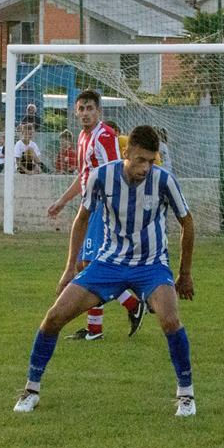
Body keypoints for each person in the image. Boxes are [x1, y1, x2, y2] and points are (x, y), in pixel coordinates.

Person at [13, 125, 196, 416]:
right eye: (140, 160)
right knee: (54, 317)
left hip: (151, 264)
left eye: (151, 161)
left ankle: (186, 395)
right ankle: (31, 390)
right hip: (108, 263)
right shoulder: (101, 176)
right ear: (126, 152)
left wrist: (184, 274)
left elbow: (187, 222)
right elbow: (81, 219)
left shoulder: (164, 180)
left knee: (170, 320)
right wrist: (69, 268)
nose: (146, 168)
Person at [46, 90, 145, 341]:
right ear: (75, 112)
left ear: (99, 111)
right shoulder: (82, 137)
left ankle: (98, 328)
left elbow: (116, 173)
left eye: (90, 108)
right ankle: (130, 306)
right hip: (90, 206)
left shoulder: (105, 136)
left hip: (103, 207)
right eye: (81, 108)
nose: (85, 113)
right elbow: (84, 177)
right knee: (86, 265)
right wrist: (62, 201)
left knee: (90, 265)